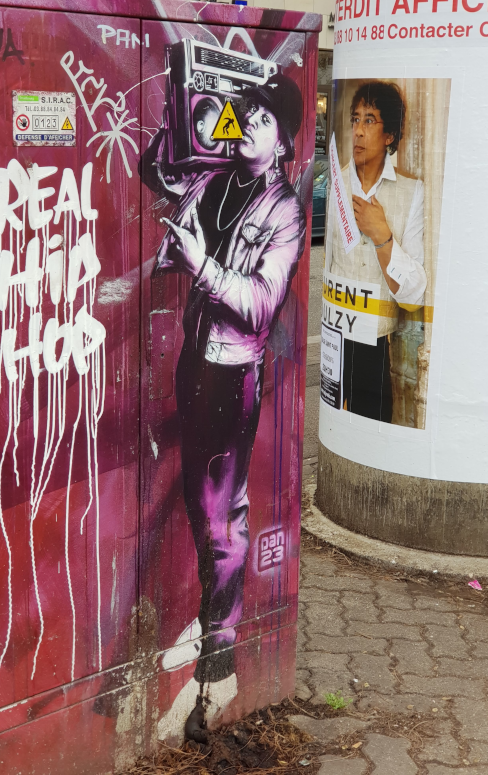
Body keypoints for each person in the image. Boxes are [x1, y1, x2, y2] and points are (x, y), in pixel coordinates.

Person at [140, 72, 306, 738]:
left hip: (232, 374)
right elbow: (158, 171)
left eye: (263, 121)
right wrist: (185, 113)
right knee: (197, 503)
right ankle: (214, 616)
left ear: (284, 142)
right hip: (194, 358)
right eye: (248, 114)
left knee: (222, 517)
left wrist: (203, 266)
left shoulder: (286, 211)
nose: (248, 127)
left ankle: (222, 653)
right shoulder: (216, 179)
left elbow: (261, 304)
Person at [326, 81, 426, 422]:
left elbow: (414, 295)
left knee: (372, 429)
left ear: (389, 135)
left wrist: (382, 235)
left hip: (378, 345)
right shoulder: (336, 185)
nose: (357, 130)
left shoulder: (411, 192)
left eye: (369, 120)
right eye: (355, 119)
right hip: (335, 339)